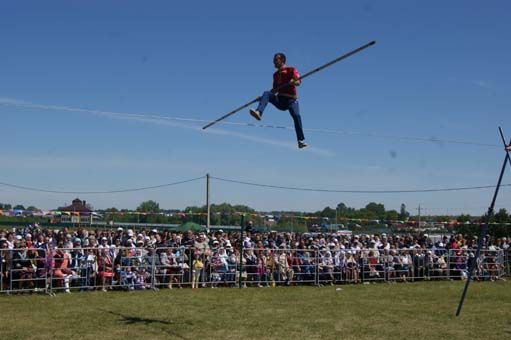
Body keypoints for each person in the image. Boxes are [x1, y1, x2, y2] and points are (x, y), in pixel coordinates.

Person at [249, 52, 307, 149]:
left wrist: (294, 82)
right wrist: (263, 98)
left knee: (296, 116)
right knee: (266, 93)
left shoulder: (291, 69)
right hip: (280, 100)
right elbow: (274, 91)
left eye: (276, 60)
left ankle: (300, 140)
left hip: (291, 100)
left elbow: (299, 82)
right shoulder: (275, 75)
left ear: (282, 60)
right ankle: (259, 112)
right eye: (274, 60)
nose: (274, 62)